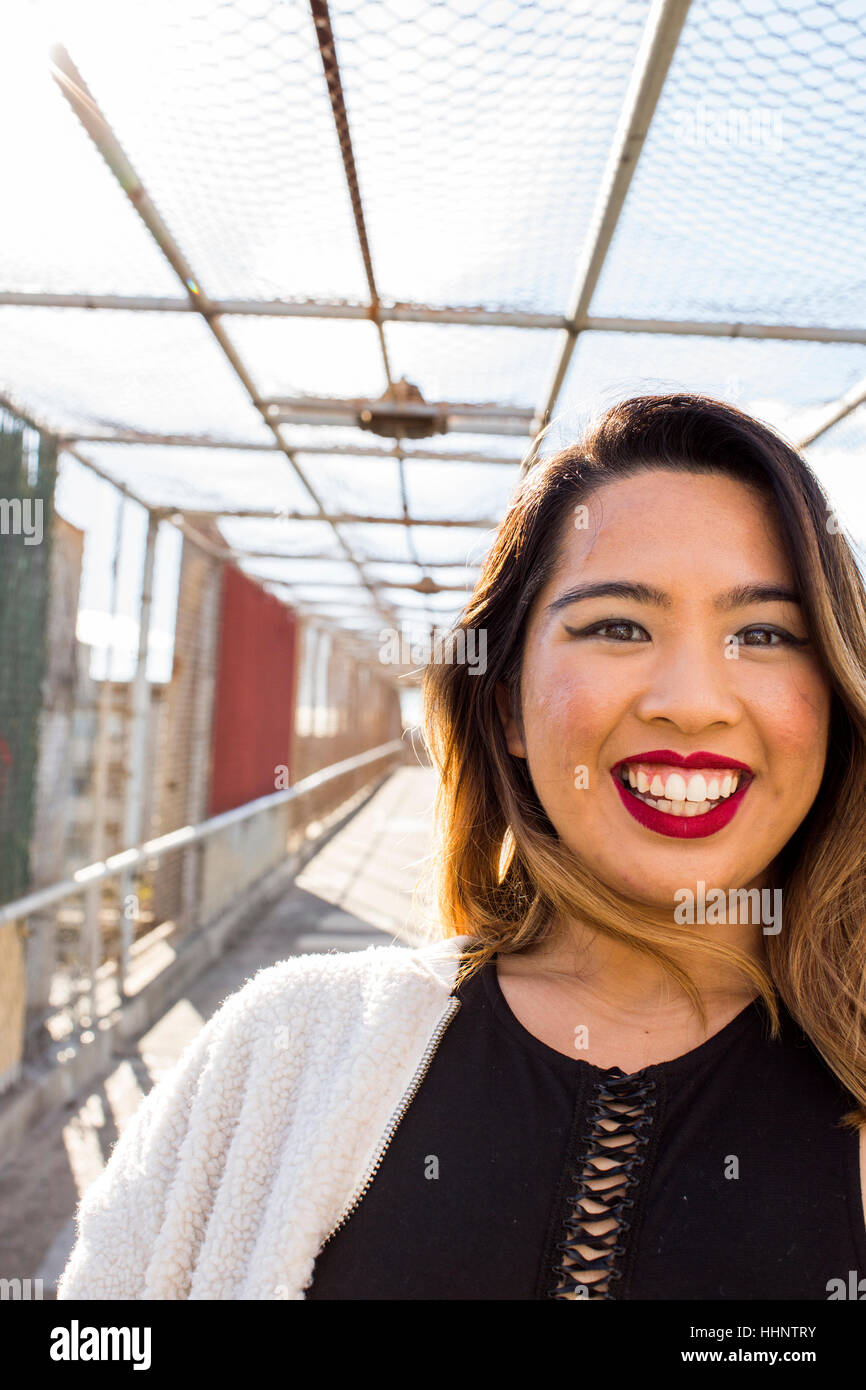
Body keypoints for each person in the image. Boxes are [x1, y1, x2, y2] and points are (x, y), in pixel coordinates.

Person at [57, 393, 866, 1300]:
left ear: (835, 694)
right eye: (617, 627)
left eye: (763, 634)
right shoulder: (282, 1056)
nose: (691, 700)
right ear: (508, 703)